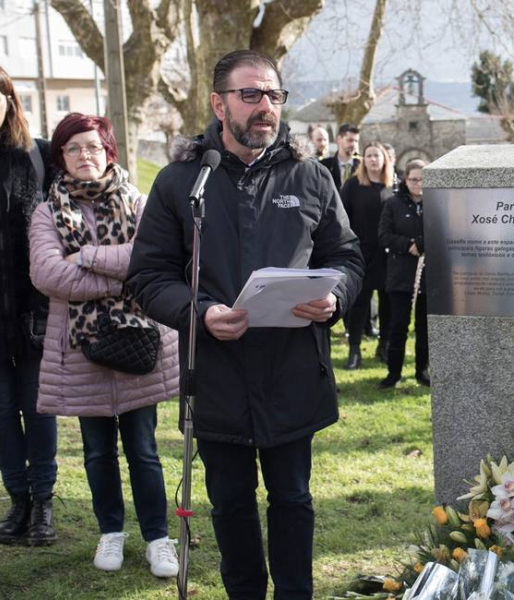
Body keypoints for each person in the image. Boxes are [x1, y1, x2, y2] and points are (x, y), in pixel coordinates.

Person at [126, 50, 363, 599]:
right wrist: (200, 313)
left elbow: (347, 257)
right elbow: (148, 275)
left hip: (293, 372)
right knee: (230, 504)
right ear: (219, 104)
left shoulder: (310, 176)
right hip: (216, 375)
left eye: (274, 95)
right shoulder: (183, 181)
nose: (265, 107)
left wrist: (335, 297)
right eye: (250, 94)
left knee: (293, 499)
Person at [28, 113, 180, 577]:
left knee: (144, 449)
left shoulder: (137, 201)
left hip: (138, 345)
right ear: (61, 157)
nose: (85, 155)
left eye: (93, 146)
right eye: (73, 148)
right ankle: (111, 531)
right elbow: (48, 274)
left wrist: (88, 257)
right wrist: (118, 279)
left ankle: (157, 538)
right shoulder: (46, 212)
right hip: (82, 351)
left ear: (108, 151)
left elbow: (150, 257)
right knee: (97, 452)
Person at [0, 66, 58, 546]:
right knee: (1, 412)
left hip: (35, 309)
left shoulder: (38, 156)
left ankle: (43, 503)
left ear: (8, 99)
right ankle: (17, 499)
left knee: (38, 409)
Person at [340, 142, 393, 369]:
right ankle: (354, 350)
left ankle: (384, 346)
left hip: (388, 254)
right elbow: (341, 218)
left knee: (387, 303)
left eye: (377, 156)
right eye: (369, 155)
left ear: (384, 159)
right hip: (361, 252)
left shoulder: (392, 185)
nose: (373, 159)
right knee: (359, 303)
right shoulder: (353, 185)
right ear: (364, 159)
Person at [378, 159, 429, 388]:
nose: (418, 184)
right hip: (400, 275)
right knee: (398, 326)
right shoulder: (392, 204)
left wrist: (422, 243)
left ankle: (422, 371)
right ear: (405, 180)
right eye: (414, 179)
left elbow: (443, 230)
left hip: (428, 276)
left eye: (422, 179)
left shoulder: (436, 203)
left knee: (424, 327)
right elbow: (383, 235)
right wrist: (408, 245)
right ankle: (394, 373)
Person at [321, 123, 360, 190]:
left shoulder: (362, 166)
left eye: (356, 141)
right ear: (338, 139)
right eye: (350, 140)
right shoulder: (324, 166)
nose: (354, 144)